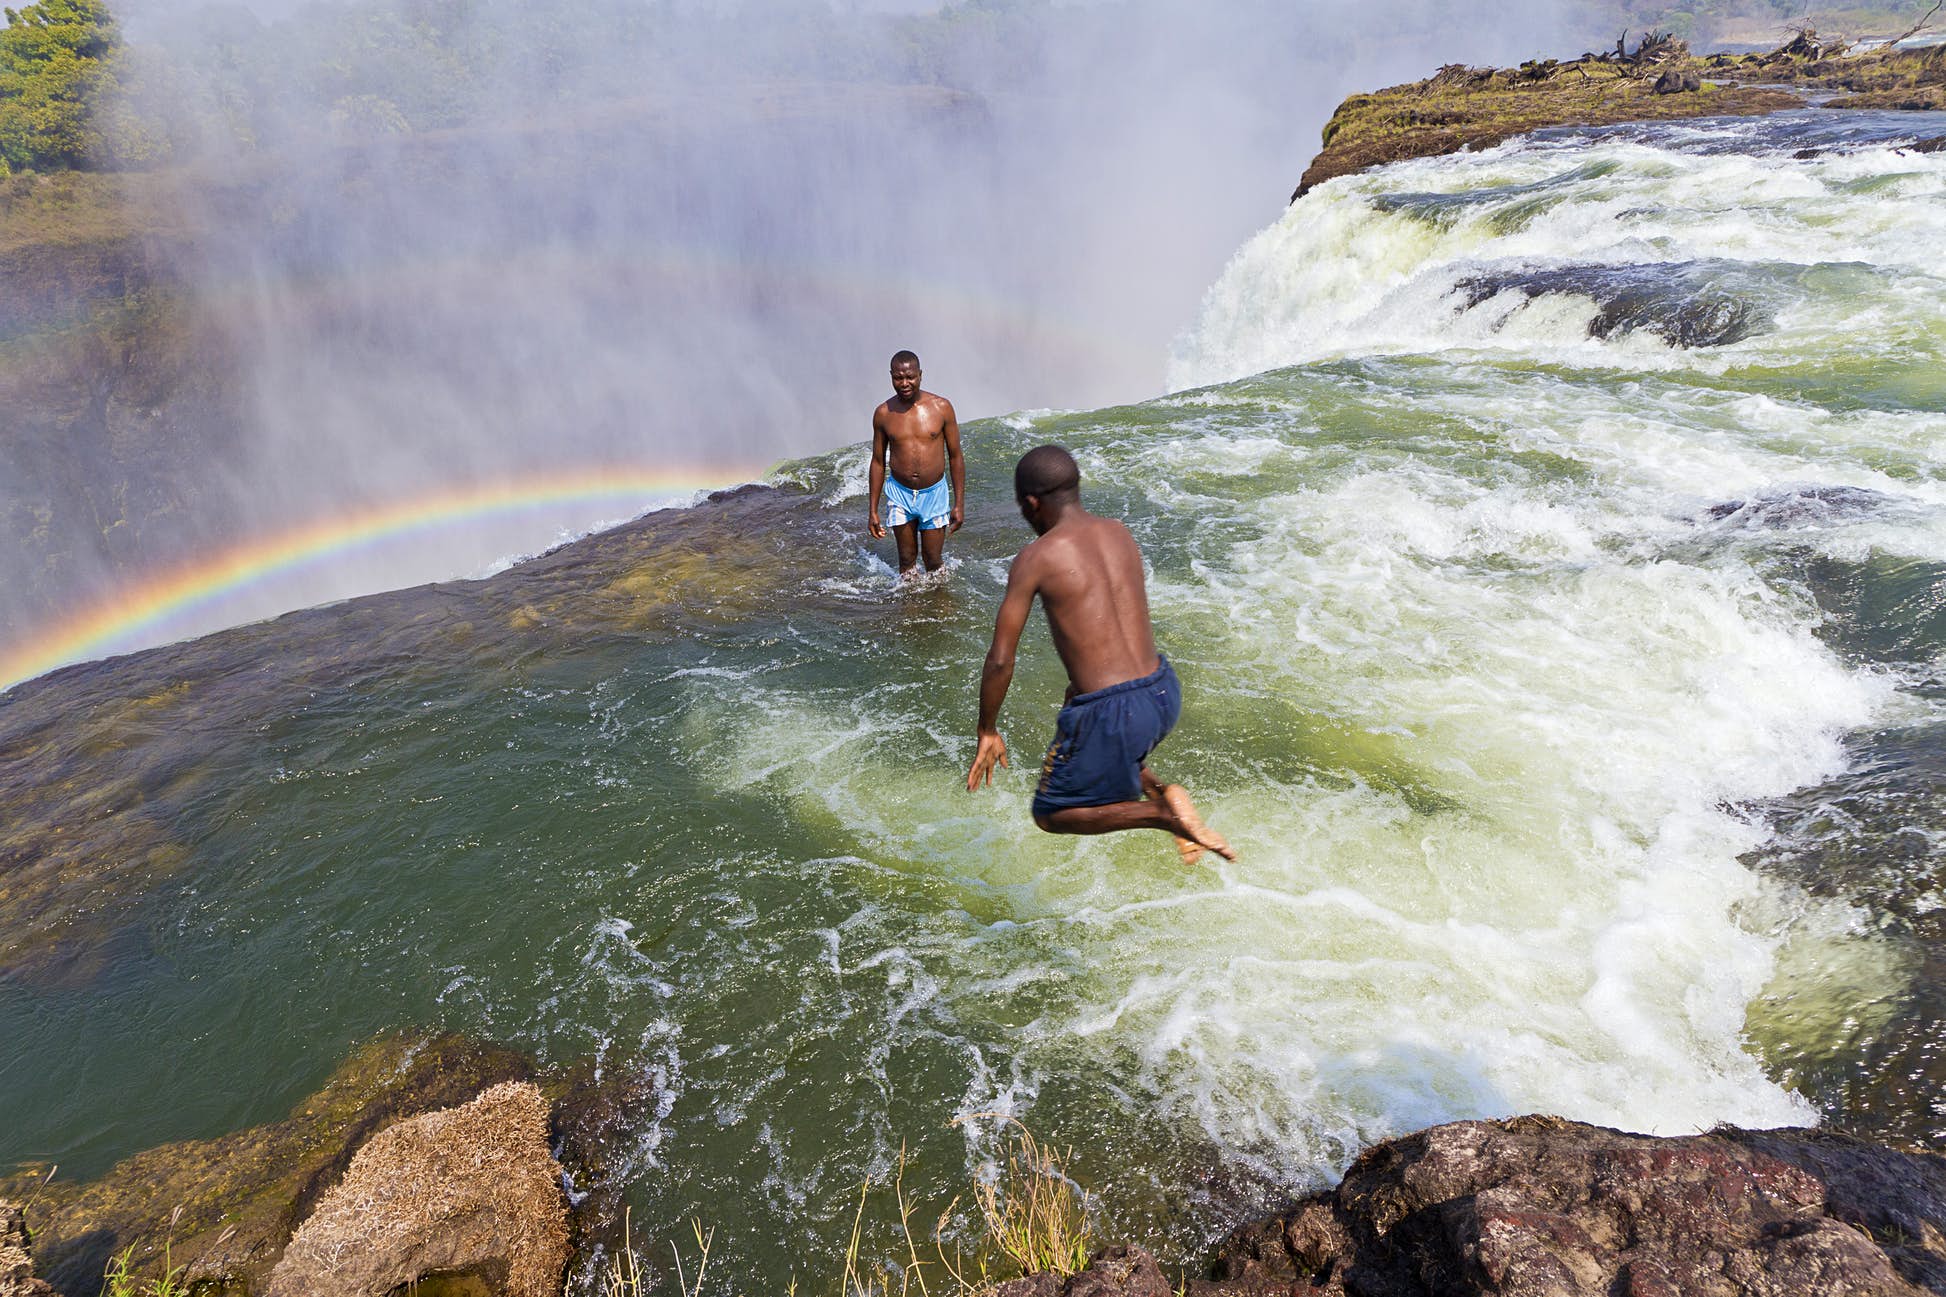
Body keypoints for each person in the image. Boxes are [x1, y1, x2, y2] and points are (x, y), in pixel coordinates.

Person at [965, 445, 1235, 864]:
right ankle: (1163, 793)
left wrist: (987, 728)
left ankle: (1164, 814)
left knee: (1052, 812)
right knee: (1082, 707)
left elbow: (1001, 658)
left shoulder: (1036, 558)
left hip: (1117, 711)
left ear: (1032, 503)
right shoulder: (1119, 531)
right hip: (1162, 692)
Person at [868, 350, 964, 576]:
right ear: (891, 376)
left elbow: (956, 456)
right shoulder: (883, 414)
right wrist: (872, 510)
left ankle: (940, 607)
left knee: (933, 560)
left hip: (934, 494)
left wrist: (959, 503)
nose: (904, 383)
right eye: (898, 378)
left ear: (920, 375)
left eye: (910, 377)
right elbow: (878, 461)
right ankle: (910, 610)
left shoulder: (942, 407)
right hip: (900, 494)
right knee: (906, 561)